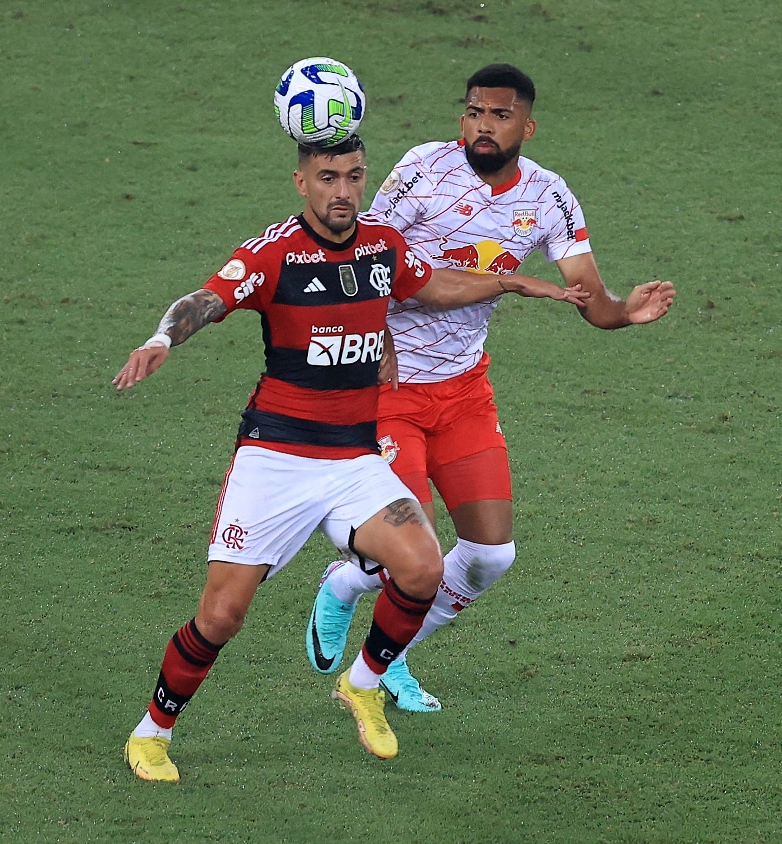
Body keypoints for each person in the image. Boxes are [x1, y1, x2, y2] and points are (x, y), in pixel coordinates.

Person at [114, 134, 587, 781]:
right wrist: (162, 337)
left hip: (352, 461)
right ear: (301, 182)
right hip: (275, 460)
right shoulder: (274, 253)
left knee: (421, 568)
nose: (343, 190)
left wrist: (511, 283)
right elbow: (207, 299)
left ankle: (363, 684)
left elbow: (433, 284)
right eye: (328, 177)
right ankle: (151, 732)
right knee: (222, 615)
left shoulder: (381, 247)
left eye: (354, 176)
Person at [305, 65, 677, 712]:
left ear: (526, 127)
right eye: (474, 111)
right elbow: (364, 254)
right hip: (388, 387)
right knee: (407, 550)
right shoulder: (424, 169)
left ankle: (393, 652)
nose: (483, 124)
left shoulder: (549, 196)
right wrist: (380, 343)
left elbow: (587, 292)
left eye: (499, 115)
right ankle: (345, 586)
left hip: (464, 393)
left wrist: (623, 312)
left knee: (490, 556)